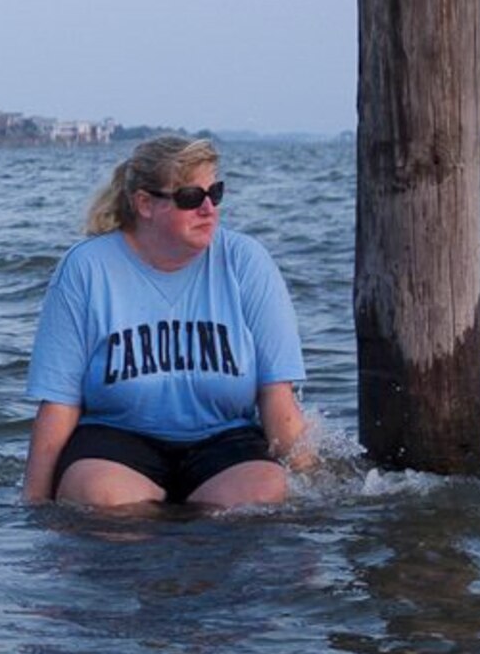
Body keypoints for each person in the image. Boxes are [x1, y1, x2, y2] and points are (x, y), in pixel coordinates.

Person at [22, 133, 306, 510]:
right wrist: (33, 507)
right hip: (115, 438)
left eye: (215, 193)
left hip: (224, 439)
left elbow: (277, 397)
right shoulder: (86, 268)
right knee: (104, 498)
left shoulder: (246, 262)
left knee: (261, 493)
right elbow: (59, 403)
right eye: (191, 198)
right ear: (145, 204)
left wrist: (311, 493)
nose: (209, 209)